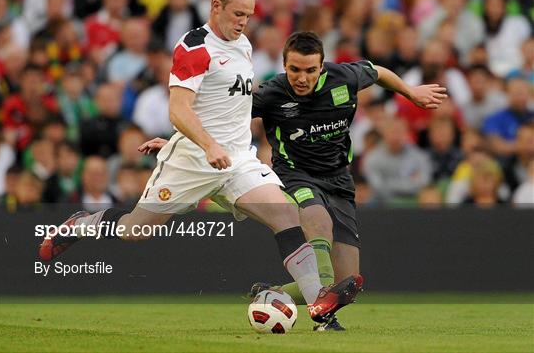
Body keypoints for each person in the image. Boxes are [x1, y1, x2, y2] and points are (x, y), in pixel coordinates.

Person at [39, 0, 360, 326]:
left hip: (237, 160)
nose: (243, 22)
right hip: (193, 161)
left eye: (248, 16)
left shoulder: (244, 46)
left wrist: (217, 144)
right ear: (216, 6)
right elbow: (179, 110)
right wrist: (204, 144)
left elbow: (225, 107)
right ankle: (83, 224)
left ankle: (321, 315)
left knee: (287, 215)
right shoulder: (194, 47)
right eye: (237, 14)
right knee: (136, 230)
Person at [139, 31, 446, 330]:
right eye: (295, 69)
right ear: (285, 66)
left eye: (310, 70)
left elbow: (377, 72)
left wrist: (411, 92)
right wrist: (175, 143)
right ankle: (324, 315)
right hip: (295, 174)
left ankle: (273, 294)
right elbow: (224, 121)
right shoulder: (271, 93)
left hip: (339, 180)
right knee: (317, 220)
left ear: (321, 66)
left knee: (348, 284)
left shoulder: (345, 78)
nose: (302, 77)